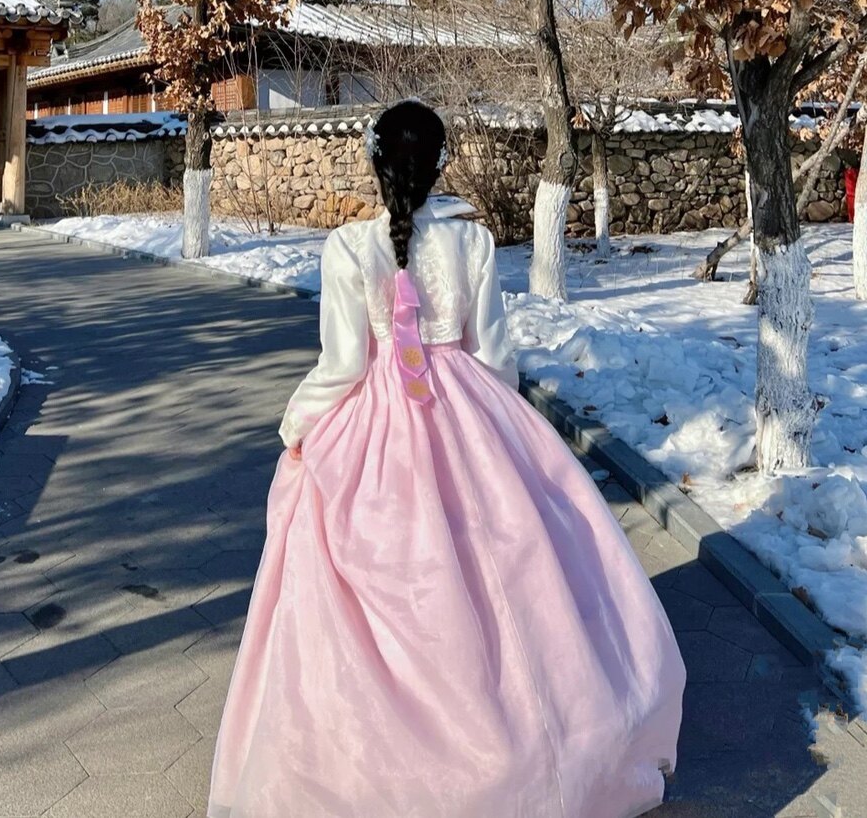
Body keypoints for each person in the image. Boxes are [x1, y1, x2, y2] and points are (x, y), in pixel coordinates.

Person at [208, 100, 685, 818]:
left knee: (389, 582)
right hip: (468, 407)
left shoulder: (348, 248)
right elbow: (491, 353)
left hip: (376, 424)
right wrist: (500, 431)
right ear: (439, 166)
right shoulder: (474, 242)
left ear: (374, 162)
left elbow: (343, 364)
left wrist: (296, 424)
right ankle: (546, 747)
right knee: (511, 569)